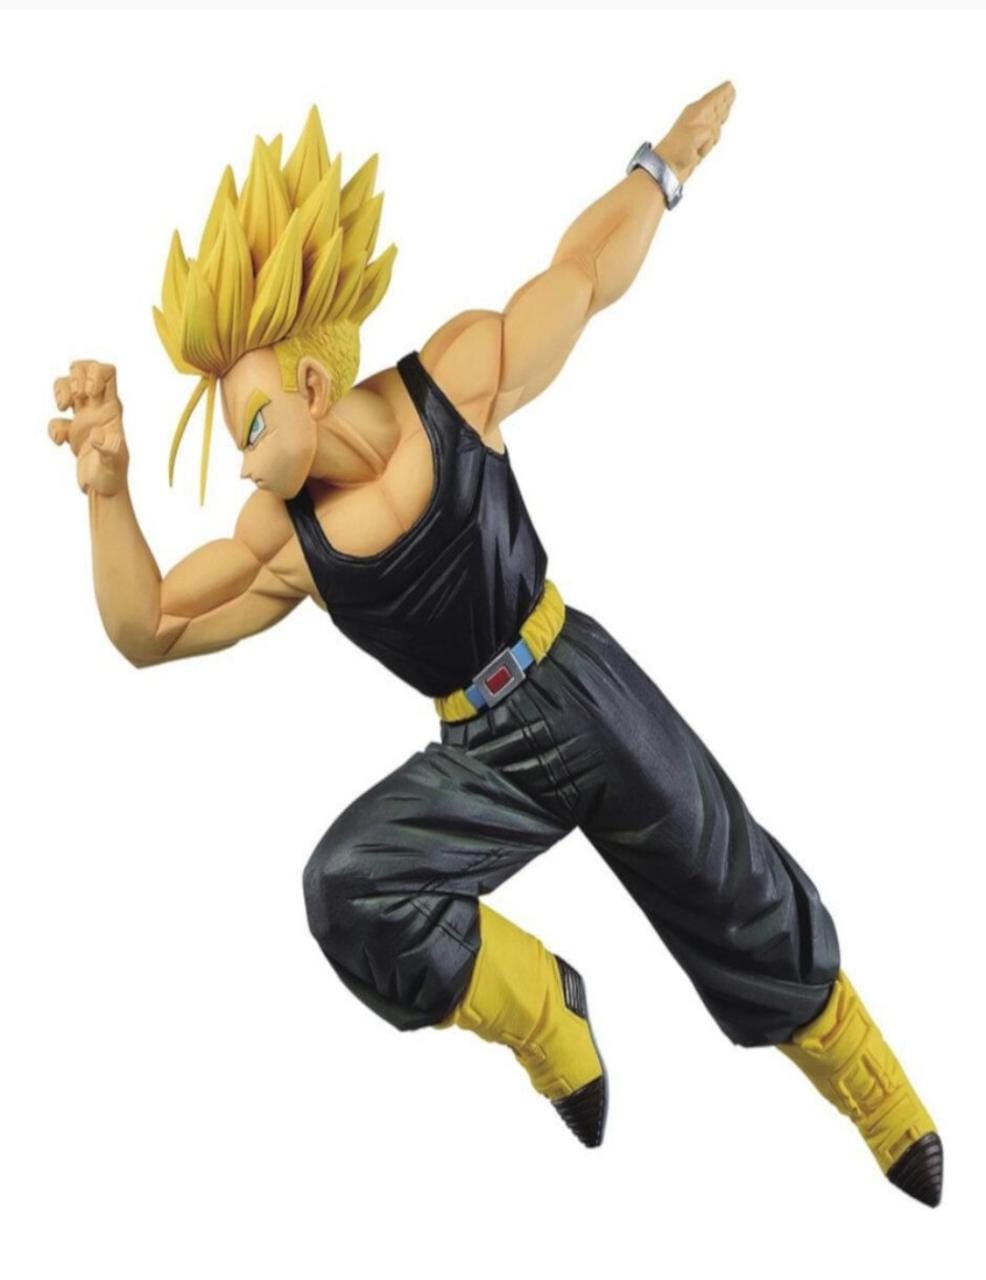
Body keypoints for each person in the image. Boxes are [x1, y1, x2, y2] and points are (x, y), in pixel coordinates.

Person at [48, 86, 942, 1205]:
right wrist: (108, 488)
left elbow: (582, 274)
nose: (243, 458)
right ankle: (543, 1015)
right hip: (480, 754)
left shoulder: (457, 380)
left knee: (731, 879)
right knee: (350, 885)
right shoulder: (282, 544)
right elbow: (150, 627)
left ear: (313, 384)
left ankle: (872, 1084)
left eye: (253, 425)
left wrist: (661, 168)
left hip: (576, 682)